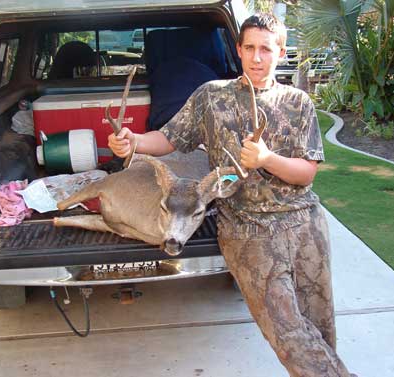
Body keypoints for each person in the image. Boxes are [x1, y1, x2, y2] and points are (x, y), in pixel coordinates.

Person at [108, 13, 357, 377]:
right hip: (248, 229)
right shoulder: (211, 97)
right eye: (250, 48)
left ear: (281, 52)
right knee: (288, 334)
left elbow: (306, 173)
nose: (258, 58)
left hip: (305, 225)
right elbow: (169, 137)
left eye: (266, 49)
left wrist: (267, 159)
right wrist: (134, 143)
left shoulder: (298, 101)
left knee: (318, 329)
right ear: (238, 49)